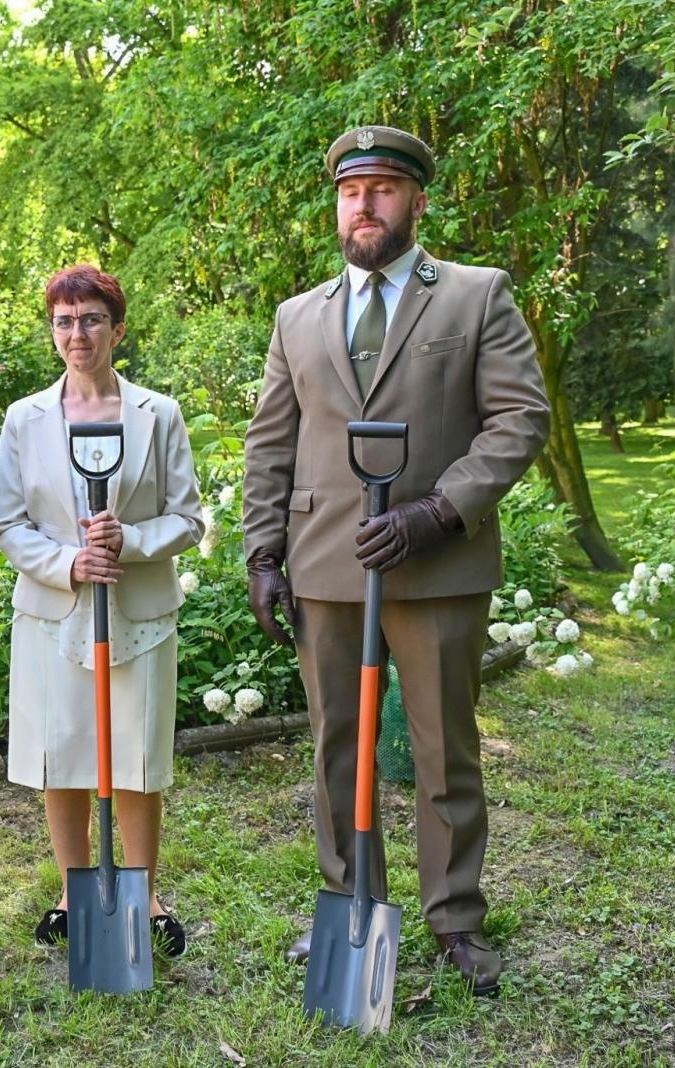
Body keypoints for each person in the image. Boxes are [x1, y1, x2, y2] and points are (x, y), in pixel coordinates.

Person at [241, 125, 550, 995]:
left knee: (444, 749)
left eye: (382, 189)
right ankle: (348, 905)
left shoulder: (475, 296)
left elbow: (519, 419)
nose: (364, 205)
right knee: (339, 743)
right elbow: (273, 441)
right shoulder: (297, 315)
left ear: (417, 201)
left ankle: (455, 919)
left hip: (437, 566)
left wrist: (436, 510)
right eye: (351, 191)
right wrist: (264, 551)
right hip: (326, 564)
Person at [0, 264, 205, 956]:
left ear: (117, 328)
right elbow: (9, 522)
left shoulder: (157, 414)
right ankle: (73, 888)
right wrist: (70, 564)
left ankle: (143, 896)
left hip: (138, 613)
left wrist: (130, 541)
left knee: (136, 755)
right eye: (63, 320)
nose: (76, 333)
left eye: (90, 320)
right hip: (56, 612)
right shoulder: (25, 419)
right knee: (64, 754)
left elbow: (188, 518)